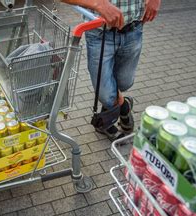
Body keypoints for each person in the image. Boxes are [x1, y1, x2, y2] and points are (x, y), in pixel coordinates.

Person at [62, 0, 162, 140]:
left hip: (133, 28)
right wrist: (99, 4)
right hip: (99, 33)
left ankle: (110, 111)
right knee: (107, 95)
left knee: (125, 82)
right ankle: (123, 106)